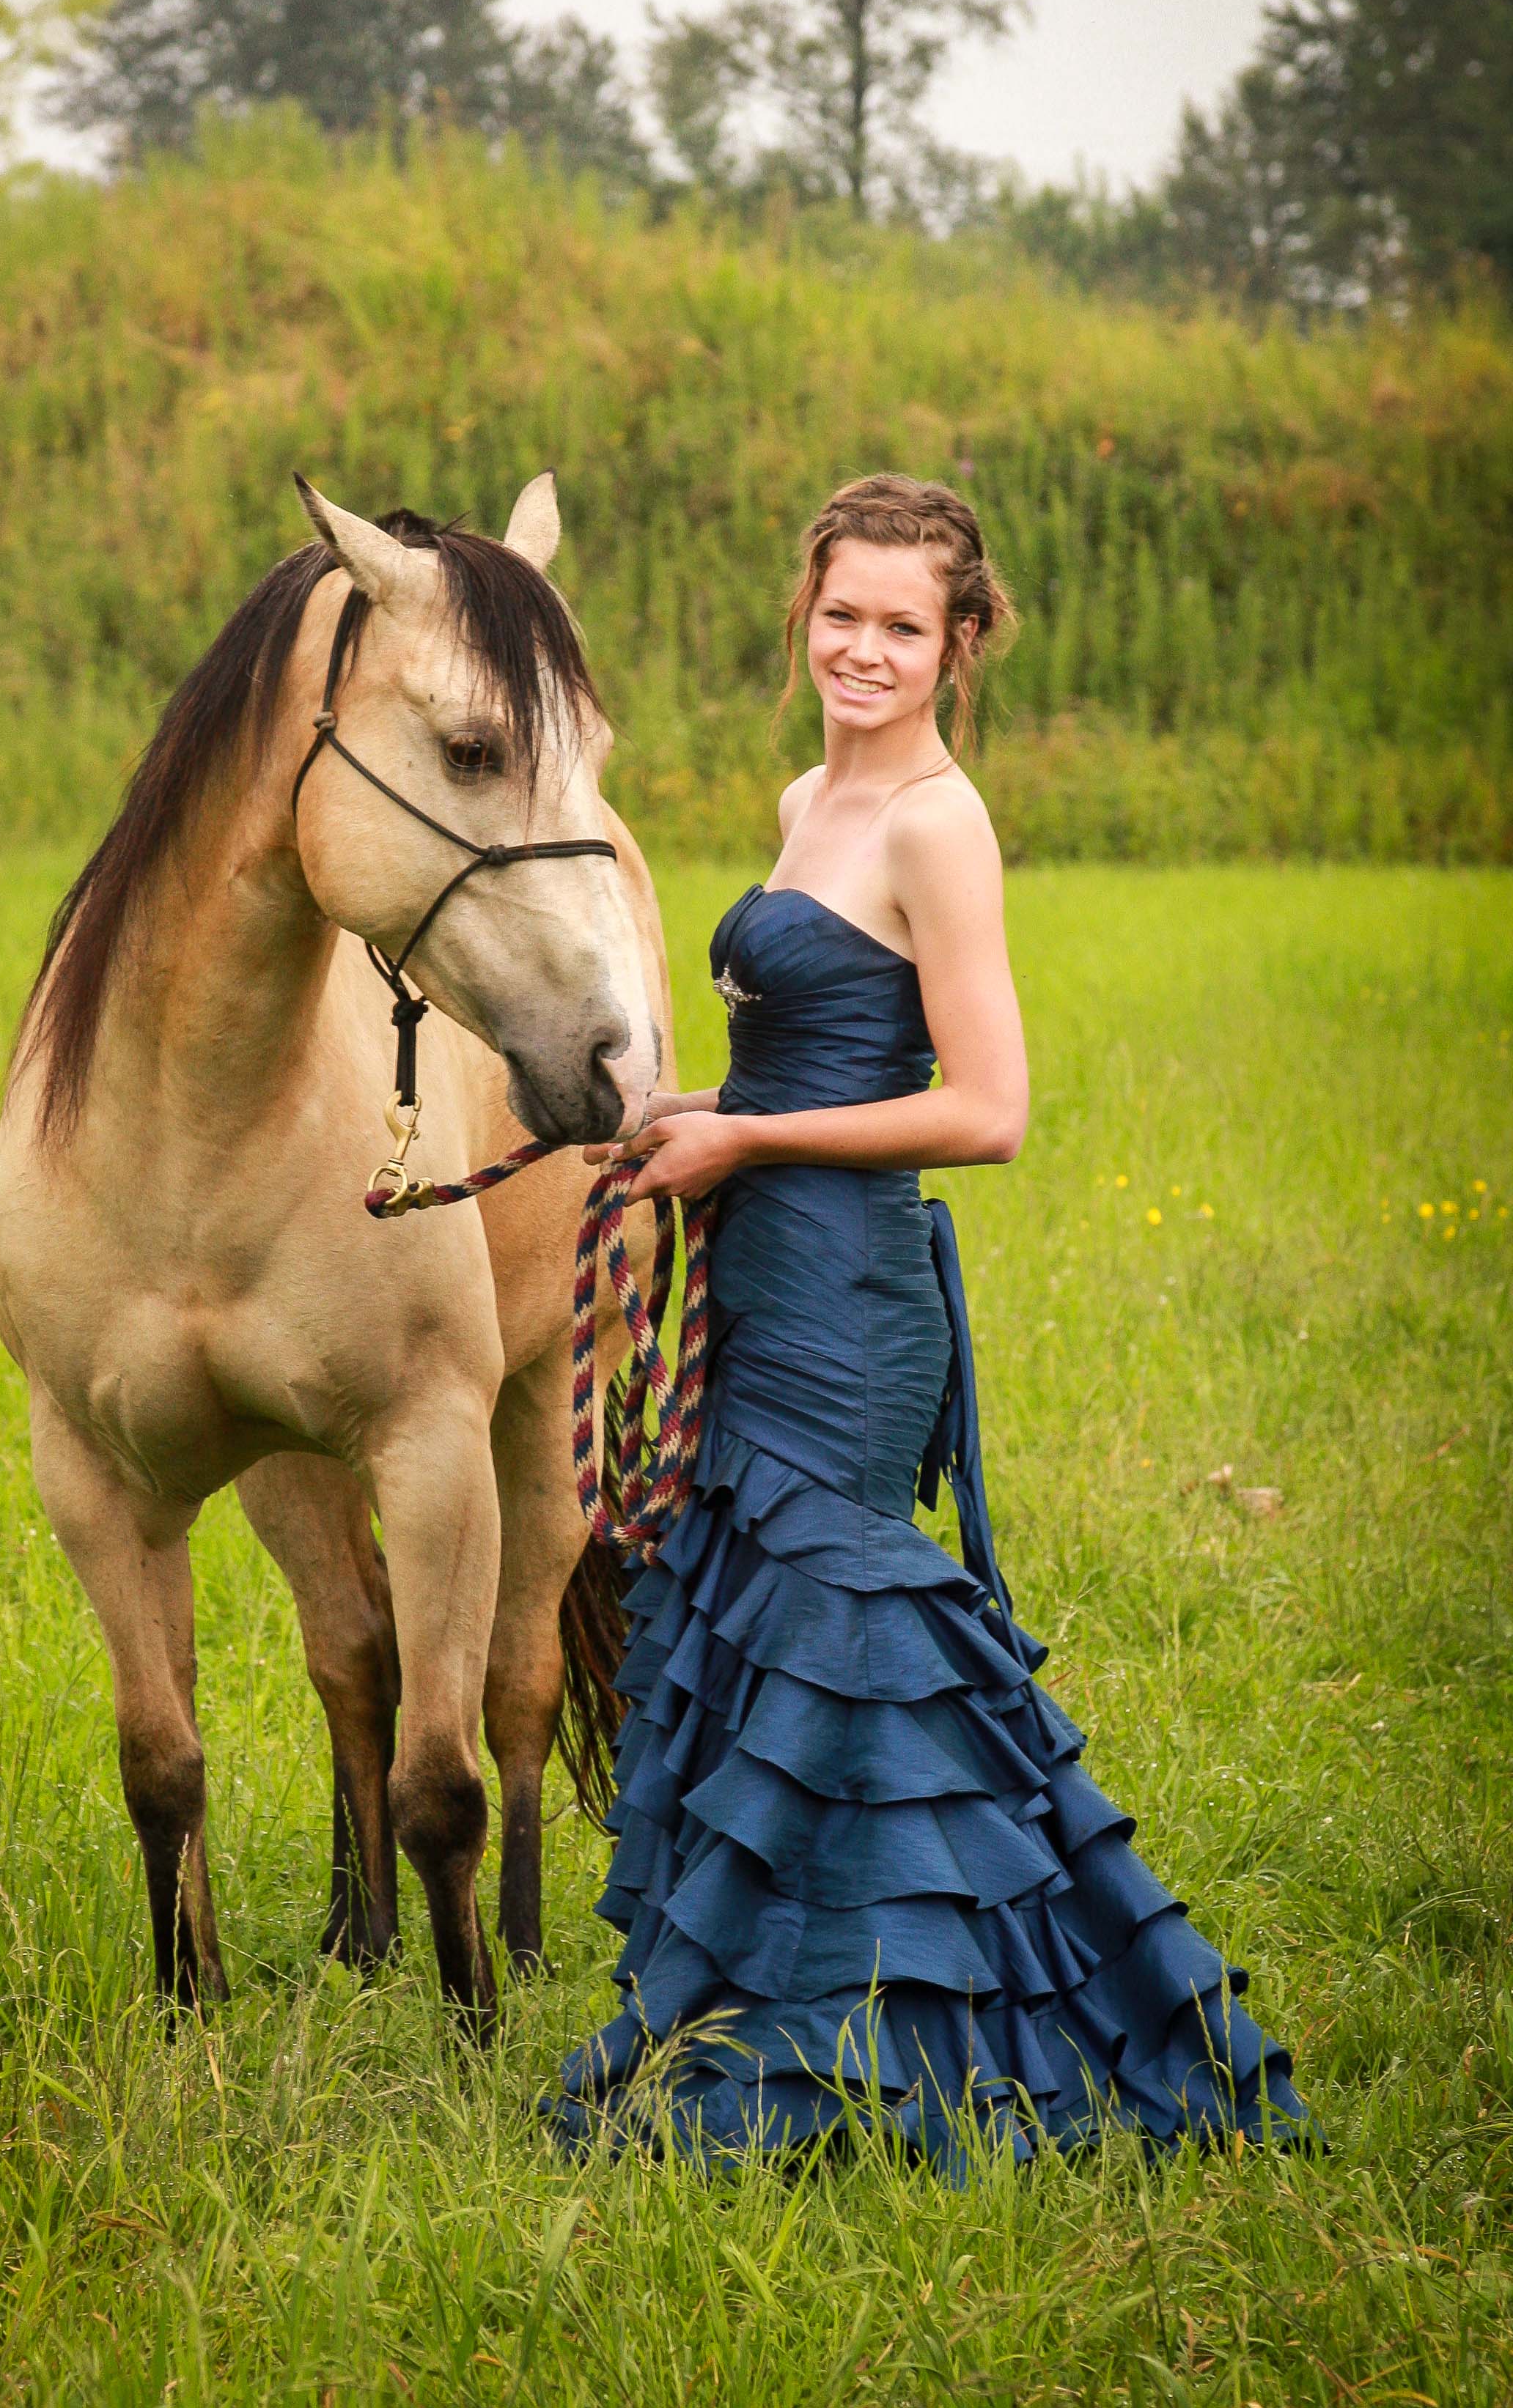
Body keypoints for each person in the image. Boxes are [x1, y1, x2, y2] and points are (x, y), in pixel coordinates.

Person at [548, 473, 1311, 2169]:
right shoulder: (806, 793)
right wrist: (698, 1113)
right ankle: (780, 2003)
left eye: (905, 625)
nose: (866, 650)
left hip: (854, 1304)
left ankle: (956, 2028)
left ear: (962, 642)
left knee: (859, 1643)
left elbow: (989, 1109)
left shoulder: (935, 827)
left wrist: (748, 1139)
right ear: (803, 613)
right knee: (765, 1632)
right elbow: (810, 1052)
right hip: (759, 1274)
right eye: (842, 616)